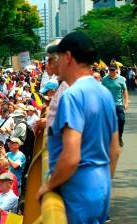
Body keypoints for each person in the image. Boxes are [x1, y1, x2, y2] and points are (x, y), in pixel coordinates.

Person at [36, 32, 120, 223]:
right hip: (102, 185)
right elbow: (114, 150)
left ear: (68, 57)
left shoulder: (71, 96)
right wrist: (102, 182)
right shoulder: (104, 93)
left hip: (78, 187)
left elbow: (72, 157)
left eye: (58, 57)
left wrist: (48, 186)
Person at [102, 63, 129, 147]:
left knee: (121, 120)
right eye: (110, 70)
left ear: (116, 70)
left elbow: (125, 91)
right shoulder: (104, 79)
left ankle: (119, 137)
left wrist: (126, 102)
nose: (111, 71)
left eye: (113, 70)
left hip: (119, 104)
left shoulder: (121, 79)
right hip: (108, 104)